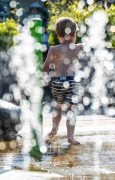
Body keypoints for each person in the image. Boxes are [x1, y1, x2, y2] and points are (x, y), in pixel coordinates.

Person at [43, 17, 83, 145]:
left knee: (57, 106)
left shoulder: (53, 49)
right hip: (73, 82)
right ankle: (70, 137)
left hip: (58, 82)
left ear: (58, 35)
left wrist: (43, 76)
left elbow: (46, 66)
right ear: (74, 34)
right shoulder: (78, 48)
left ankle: (54, 129)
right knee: (71, 110)